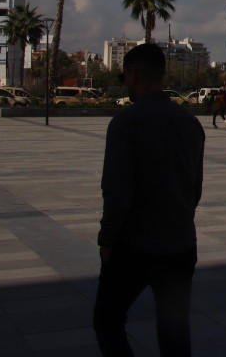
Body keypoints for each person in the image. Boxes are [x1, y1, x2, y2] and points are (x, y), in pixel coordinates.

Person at [94, 43, 205, 357]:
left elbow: (116, 193)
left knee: (108, 321)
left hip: (135, 245)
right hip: (180, 244)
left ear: (132, 74)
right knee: (174, 329)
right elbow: (195, 188)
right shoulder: (190, 122)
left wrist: (107, 240)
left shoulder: (125, 123)